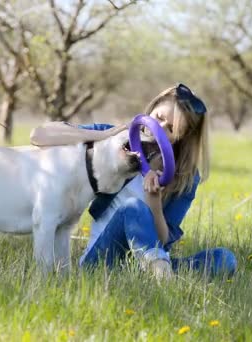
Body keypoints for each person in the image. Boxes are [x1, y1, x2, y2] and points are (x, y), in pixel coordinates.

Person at [30, 84, 237, 279]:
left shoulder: (185, 177)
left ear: (180, 137)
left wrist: (154, 201)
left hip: (152, 258)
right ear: (152, 108)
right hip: (101, 263)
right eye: (159, 117)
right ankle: (163, 278)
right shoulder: (115, 141)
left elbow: (164, 240)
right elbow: (40, 135)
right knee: (132, 208)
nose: (159, 127)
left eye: (171, 129)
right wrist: (105, 134)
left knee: (224, 259)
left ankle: (158, 273)